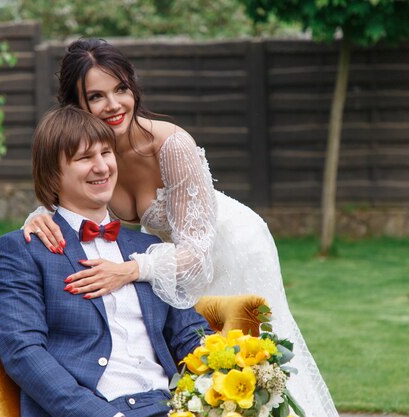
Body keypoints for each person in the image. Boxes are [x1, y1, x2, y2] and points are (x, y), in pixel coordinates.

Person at [22, 39, 340, 416]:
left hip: (222, 247)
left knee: (247, 359)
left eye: (121, 89)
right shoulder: (95, 158)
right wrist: (38, 217)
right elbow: (69, 199)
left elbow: (197, 257)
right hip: (165, 259)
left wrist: (131, 270)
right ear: (76, 105)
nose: (113, 105)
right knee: (191, 362)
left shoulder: (171, 145)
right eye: (96, 96)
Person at [0, 105, 212, 417]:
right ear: (53, 175)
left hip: (171, 406)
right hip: (96, 408)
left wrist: (234, 375)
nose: (102, 167)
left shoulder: (149, 248)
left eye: (106, 153)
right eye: (84, 158)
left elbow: (190, 335)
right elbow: (23, 353)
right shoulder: (23, 250)